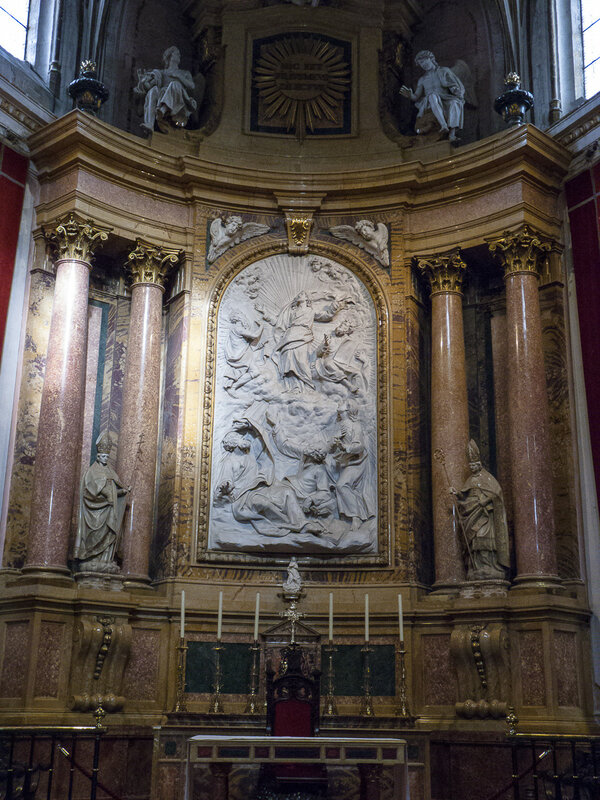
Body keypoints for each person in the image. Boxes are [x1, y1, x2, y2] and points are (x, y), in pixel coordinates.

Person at [450, 440, 510, 581]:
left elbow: (497, 493)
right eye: (470, 465)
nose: (472, 467)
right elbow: (465, 495)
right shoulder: (470, 479)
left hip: (485, 514)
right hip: (472, 512)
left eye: (474, 465)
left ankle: (490, 566)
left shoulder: (488, 478)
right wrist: (456, 493)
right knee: (474, 541)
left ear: (479, 464)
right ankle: (476, 567)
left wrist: (486, 500)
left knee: (484, 538)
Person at [73, 434, 129, 572]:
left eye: (107, 456)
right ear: (98, 456)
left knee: (110, 532)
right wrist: (106, 494)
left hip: (110, 509)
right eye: (103, 456)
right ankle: (92, 559)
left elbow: (115, 491)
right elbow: (90, 490)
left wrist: (123, 491)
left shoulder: (111, 472)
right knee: (95, 533)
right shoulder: (92, 471)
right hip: (97, 510)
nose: (105, 458)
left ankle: (106, 559)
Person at [400, 50, 465, 142]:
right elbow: (416, 97)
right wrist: (410, 95)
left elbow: (454, 85)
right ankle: (443, 125)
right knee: (432, 96)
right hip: (430, 102)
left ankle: (452, 135)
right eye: (420, 63)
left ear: (431, 58)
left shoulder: (444, 71)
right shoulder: (422, 79)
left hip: (446, 98)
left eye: (424, 61)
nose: (423, 65)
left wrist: (455, 89)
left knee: (455, 103)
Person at [329, 404, 376, 531]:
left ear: (347, 411)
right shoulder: (339, 426)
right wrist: (335, 441)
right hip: (344, 462)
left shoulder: (356, 426)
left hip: (357, 462)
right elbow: (331, 447)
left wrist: (346, 447)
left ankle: (356, 517)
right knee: (338, 485)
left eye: (341, 409)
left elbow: (359, 446)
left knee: (342, 485)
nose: (339, 409)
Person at [135, 46, 197, 134]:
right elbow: (148, 86)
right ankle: (150, 123)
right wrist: (143, 81)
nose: (179, 56)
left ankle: (163, 109)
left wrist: (178, 76)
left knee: (174, 84)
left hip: (178, 99)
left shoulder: (184, 73)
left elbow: (192, 86)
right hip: (163, 95)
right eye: (177, 54)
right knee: (153, 90)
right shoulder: (162, 73)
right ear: (170, 56)